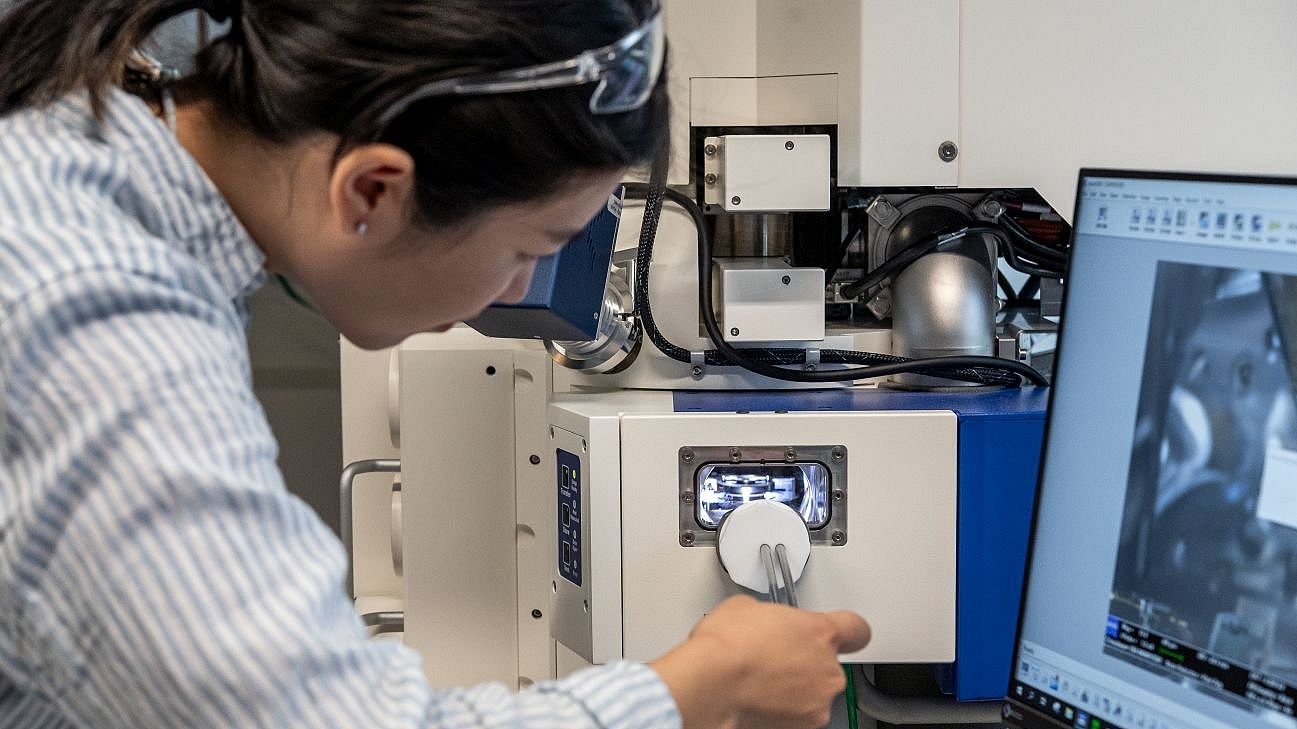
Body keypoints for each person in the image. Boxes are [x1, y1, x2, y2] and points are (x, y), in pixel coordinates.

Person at [0, 1, 871, 727]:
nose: (525, 286)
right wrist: (698, 688)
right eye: (535, 245)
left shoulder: (96, 151)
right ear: (373, 189)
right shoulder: (96, 314)